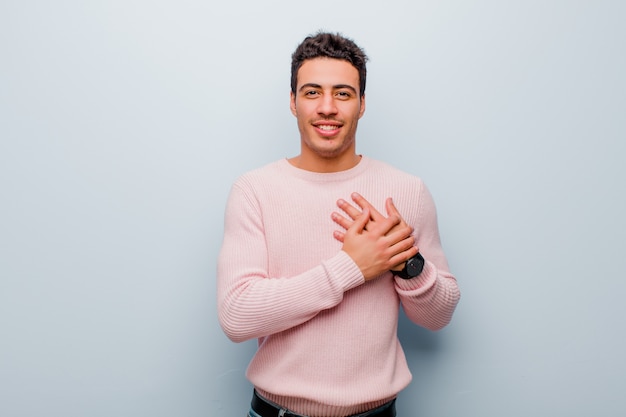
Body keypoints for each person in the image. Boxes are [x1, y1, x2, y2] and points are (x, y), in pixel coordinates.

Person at [217, 31, 460, 417]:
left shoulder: (406, 190)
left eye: (343, 94)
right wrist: (351, 267)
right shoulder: (255, 190)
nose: (327, 107)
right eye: (312, 92)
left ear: (362, 104)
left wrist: (405, 263)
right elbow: (236, 315)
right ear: (293, 102)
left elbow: (438, 316)